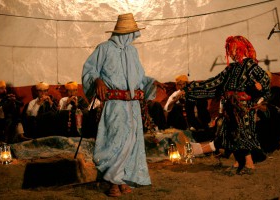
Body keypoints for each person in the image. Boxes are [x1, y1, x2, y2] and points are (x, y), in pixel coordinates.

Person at [82, 13, 165, 197]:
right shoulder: (103, 48)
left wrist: (152, 82)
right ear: (119, 33)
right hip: (114, 105)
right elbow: (89, 70)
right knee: (115, 140)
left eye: (133, 33)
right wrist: (97, 81)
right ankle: (113, 181)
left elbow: (140, 78)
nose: (130, 36)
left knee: (132, 141)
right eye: (128, 32)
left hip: (133, 105)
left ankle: (123, 179)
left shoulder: (132, 52)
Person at [184, 36, 270, 175]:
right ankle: (239, 163)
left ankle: (248, 164)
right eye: (229, 50)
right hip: (229, 106)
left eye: (233, 49)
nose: (230, 53)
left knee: (243, 134)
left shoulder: (250, 65)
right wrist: (191, 88)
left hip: (244, 107)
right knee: (230, 135)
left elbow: (265, 80)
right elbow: (214, 82)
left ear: (241, 49)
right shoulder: (230, 68)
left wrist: (260, 88)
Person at [0, 80, 30, 151]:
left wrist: (14, 100)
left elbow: (21, 104)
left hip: (10, 117)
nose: (4, 90)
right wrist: (5, 105)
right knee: (9, 119)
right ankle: (4, 142)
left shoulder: (7, 96)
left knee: (15, 113)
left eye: (5, 88)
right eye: (2, 89)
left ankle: (20, 136)